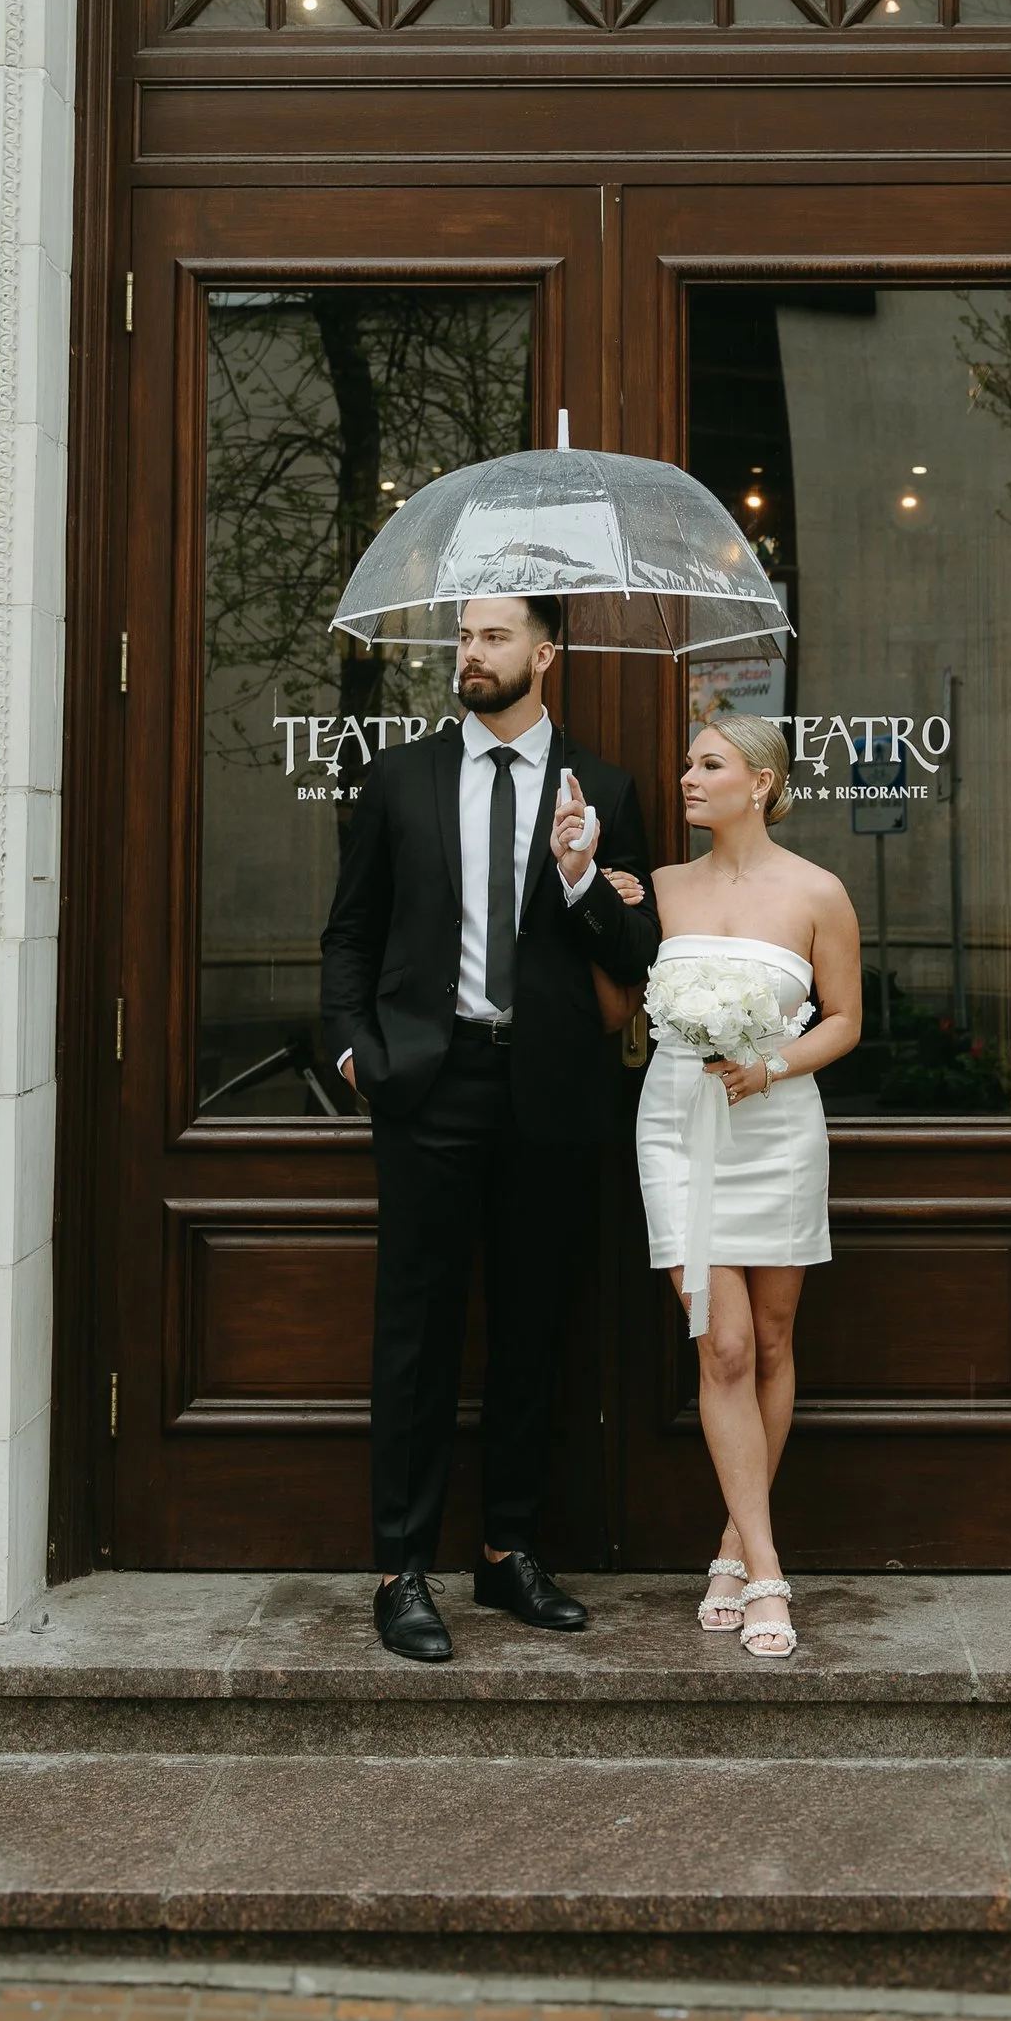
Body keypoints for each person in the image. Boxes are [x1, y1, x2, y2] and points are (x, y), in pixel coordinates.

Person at [321, 593, 661, 1663]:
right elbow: (349, 936)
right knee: (414, 1335)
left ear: (545, 653)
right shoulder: (402, 777)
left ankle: (508, 1551)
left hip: (552, 1093)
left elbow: (637, 949)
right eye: (464, 636)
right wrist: (353, 1056)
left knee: (532, 1328)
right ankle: (401, 1569)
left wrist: (576, 877)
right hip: (428, 1088)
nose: (470, 653)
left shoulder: (602, 788)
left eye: (495, 636)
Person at [606, 714, 862, 1661]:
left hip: (778, 1126)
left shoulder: (817, 893)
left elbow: (845, 1022)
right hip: (676, 1127)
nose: (685, 777)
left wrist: (775, 1067)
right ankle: (767, 1573)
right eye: (684, 763)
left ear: (759, 782)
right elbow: (612, 994)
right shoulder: (660, 890)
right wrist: (593, 891)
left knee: (773, 1338)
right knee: (721, 1344)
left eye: (707, 764)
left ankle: (728, 1543)